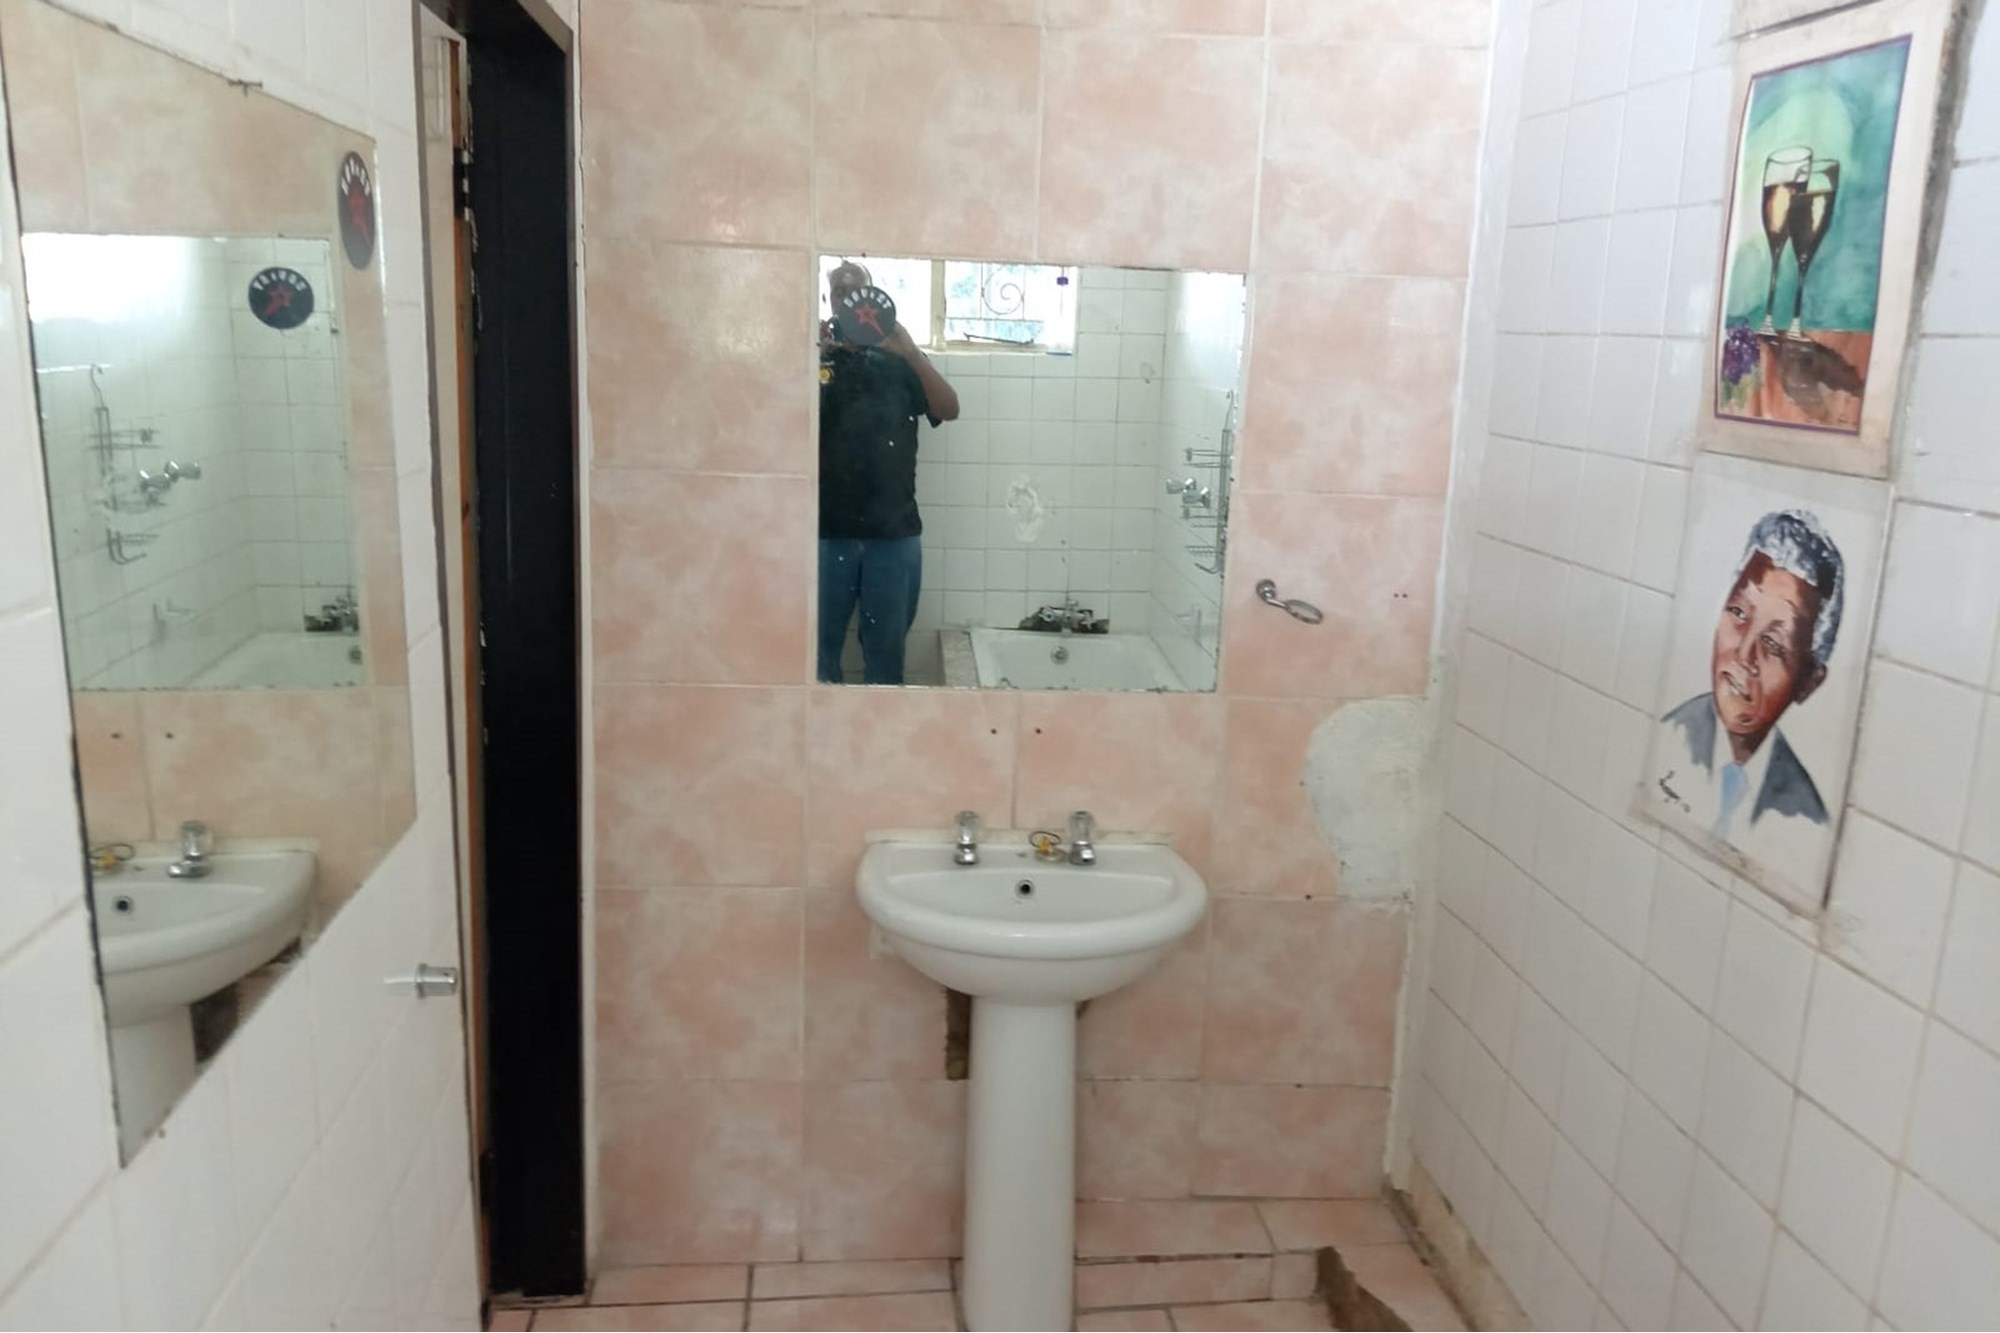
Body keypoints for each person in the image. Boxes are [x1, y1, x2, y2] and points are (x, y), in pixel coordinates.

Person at [1653, 509, 1845, 851]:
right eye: (1739, 613)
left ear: (1809, 683)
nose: (1744, 655)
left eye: (1773, 644)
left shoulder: (1805, 816)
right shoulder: (1668, 734)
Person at [817, 261, 959, 684]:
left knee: (886, 659)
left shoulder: (900, 358)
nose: (848, 299)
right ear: (828, 299)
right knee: (816, 658)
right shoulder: (816, 357)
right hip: (824, 531)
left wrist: (911, 354)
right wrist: (811, 358)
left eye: (856, 291)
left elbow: (948, 408)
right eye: (839, 292)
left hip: (893, 533)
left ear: (873, 295)